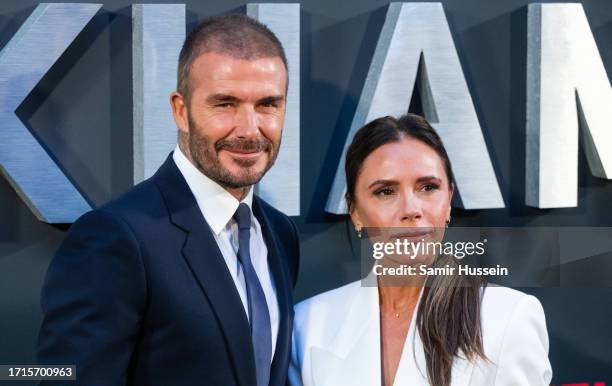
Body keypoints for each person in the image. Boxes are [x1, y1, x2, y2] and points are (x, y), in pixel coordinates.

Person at [37, 14, 299, 386]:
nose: (248, 129)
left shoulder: (279, 232)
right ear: (181, 110)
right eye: (225, 104)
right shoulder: (115, 238)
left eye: (267, 104)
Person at [289, 114, 552, 386]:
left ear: (449, 200)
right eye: (385, 191)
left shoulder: (507, 317)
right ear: (354, 211)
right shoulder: (310, 324)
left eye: (428, 187)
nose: (411, 210)